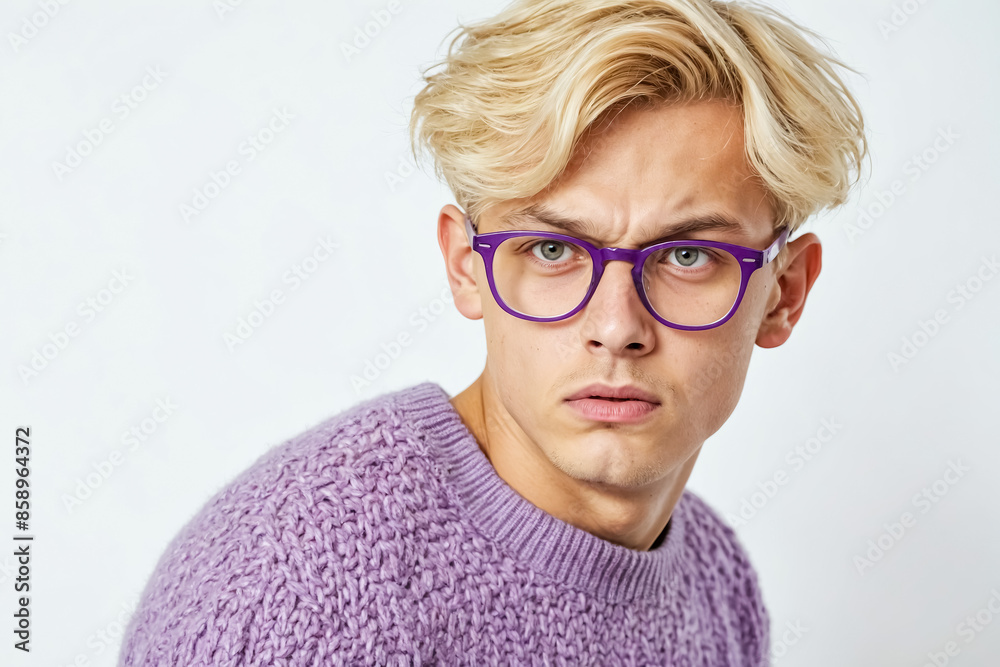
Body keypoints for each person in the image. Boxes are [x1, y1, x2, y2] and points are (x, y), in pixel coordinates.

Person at [118, 0, 866, 664]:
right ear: (465, 267)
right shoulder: (294, 590)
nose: (616, 327)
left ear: (784, 293)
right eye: (553, 250)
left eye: (687, 256)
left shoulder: (714, 583)